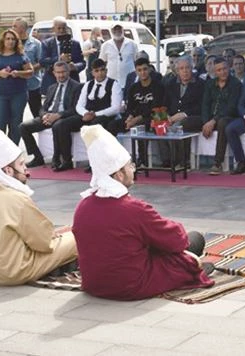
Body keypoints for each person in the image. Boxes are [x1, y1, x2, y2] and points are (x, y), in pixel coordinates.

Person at [72, 125, 214, 300]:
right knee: (194, 239)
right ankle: (191, 269)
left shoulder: (82, 206)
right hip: (130, 285)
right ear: (119, 175)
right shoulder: (133, 209)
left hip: (93, 283)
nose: (134, 169)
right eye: (130, 165)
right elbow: (177, 241)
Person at [0, 128, 77, 285]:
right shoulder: (16, 198)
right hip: (12, 272)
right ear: (8, 170)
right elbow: (44, 242)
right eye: (22, 165)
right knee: (75, 238)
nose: (25, 170)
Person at [53, 58, 121, 171]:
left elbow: (115, 108)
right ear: (92, 72)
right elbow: (79, 105)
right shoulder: (88, 85)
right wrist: (85, 113)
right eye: (97, 71)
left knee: (93, 126)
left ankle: (95, 162)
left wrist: (95, 114)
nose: (100, 73)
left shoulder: (114, 84)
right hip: (87, 115)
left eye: (102, 70)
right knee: (61, 124)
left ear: (106, 70)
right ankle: (66, 160)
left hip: (105, 116)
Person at [20, 61, 82, 169]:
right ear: (54, 73)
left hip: (64, 118)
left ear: (68, 72)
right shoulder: (52, 87)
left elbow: (75, 109)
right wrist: (44, 115)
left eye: (63, 72)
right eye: (58, 72)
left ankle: (63, 159)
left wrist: (58, 115)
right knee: (23, 126)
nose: (61, 75)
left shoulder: (77, 87)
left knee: (58, 125)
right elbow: (43, 107)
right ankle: (37, 157)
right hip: (49, 117)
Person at [108, 57, 164, 167]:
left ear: (149, 69)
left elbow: (154, 108)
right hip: (135, 118)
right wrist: (129, 117)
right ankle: (114, 159)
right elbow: (130, 107)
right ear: (136, 71)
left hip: (154, 117)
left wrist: (135, 120)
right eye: (139, 70)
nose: (142, 72)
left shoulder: (158, 87)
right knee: (112, 125)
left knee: (142, 126)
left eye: (145, 69)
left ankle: (142, 160)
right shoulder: (133, 88)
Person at [0, 29, 33, 145]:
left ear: (17, 41)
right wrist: (0, 73)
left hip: (18, 94)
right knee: (0, 122)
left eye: (13, 39)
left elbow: (30, 72)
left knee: (16, 123)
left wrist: (19, 73)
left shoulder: (21, 55)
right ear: (3, 41)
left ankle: (13, 149)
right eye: (8, 39)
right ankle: (0, 149)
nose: (10, 41)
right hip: (0, 94)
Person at [161, 56, 204, 168]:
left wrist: (184, 114)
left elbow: (202, 106)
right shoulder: (170, 84)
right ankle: (167, 161)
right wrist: (167, 116)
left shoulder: (200, 84)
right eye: (181, 68)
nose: (184, 71)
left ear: (192, 68)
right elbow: (164, 104)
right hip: (172, 117)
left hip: (194, 117)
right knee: (159, 124)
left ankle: (183, 162)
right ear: (177, 70)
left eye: (187, 68)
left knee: (180, 125)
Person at [201, 57, 241, 175]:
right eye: (219, 70)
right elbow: (205, 104)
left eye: (224, 69)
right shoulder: (210, 84)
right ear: (215, 71)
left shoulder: (235, 84)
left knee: (223, 123)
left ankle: (217, 162)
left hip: (228, 117)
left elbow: (232, 107)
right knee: (187, 123)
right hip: (209, 118)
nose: (222, 72)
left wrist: (213, 120)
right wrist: (205, 122)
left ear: (229, 68)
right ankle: (182, 161)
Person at [40, 17, 85, 94]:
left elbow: (82, 62)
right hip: (52, 81)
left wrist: (75, 66)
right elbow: (42, 61)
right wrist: (58, 59)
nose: (61, 31)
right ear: (53, 29)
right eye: (59, 28)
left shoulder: (75, 44)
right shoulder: (46, 43)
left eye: (63, 28)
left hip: (71, 81)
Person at [13, 17, 43, 118]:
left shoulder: (36, 44)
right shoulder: (11, 44)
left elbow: (41, 62)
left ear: (22, 28)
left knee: (37, 113)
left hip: (33, 84)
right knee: (16, 115)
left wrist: (28, 71)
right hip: (15, 85)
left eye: (15, 26)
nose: (12, 28)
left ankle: (42, 133)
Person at [99, 24, 139, 88]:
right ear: (111, 31)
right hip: (111, 82)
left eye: (119, 29)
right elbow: (102, 63)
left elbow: (136, 62)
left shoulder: (132, 44)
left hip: (130, 82)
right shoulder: (105, 45)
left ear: (123, 30)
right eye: (115, 29)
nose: (117, 31)